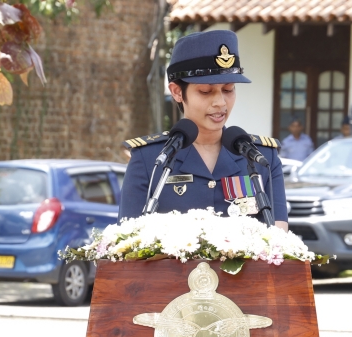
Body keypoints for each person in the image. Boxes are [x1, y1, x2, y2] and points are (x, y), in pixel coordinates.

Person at [118, 30, 288, 231]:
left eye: (228, 89)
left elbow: (279, 237)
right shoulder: (150, 159)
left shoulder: (261, 157)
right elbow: (127, 238)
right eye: (206, 91)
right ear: (177, 92)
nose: (220, 102)